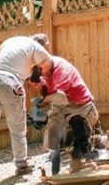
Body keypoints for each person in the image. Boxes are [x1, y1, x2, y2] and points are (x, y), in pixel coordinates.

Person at [0, 35, 52, 182]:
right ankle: (22, 164)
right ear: (43, 46)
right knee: (17, 127)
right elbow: (48, 65)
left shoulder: (12, 41)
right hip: (9, 81)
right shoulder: (37, 48)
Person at [31, 47, 101, 175]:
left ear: (45, 61)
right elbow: (47, 90)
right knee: (53, 129)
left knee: (79, 127)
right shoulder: (46, 70)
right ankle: (52, 163)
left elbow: (59, 96)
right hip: (65, 105)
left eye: (40, 68)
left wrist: (41, 104)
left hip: (82, 106)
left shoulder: (62, 70)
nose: (40, 72)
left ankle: (82, 159)